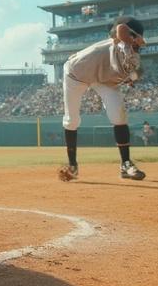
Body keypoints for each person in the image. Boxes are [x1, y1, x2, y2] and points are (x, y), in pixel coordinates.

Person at [58, 16, 147, 182]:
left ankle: (126, 164)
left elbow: (136, 70)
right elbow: (120, 38)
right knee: (72, 120)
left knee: (118, 115)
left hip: (104, 80)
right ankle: (72, 165)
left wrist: (132, 77)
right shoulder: (112, 45)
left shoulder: (134, 57)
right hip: (76, 75)